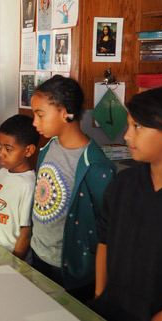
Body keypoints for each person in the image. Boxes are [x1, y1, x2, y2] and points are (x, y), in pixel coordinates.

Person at [93, 87, 162, 321]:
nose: (127, 135)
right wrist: (100, 293)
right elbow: (104, 239)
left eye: (138, 127)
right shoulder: (123, 183)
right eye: (129, 125)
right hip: (112, 309)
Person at [30, 75, 116, 302]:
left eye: (40, 115)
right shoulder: (47, 148)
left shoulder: (96, 167)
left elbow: (106, 232)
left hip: (70, 268)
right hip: (38, 256)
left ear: (65, 112)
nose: (34, 122)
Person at [0, 114, 39, 261]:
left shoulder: (28, 184)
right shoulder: (1, 173)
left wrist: (15, 262)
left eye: (8, 149)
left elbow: (26, 231)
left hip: (13, 260)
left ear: (28, 151)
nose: (1, 153)